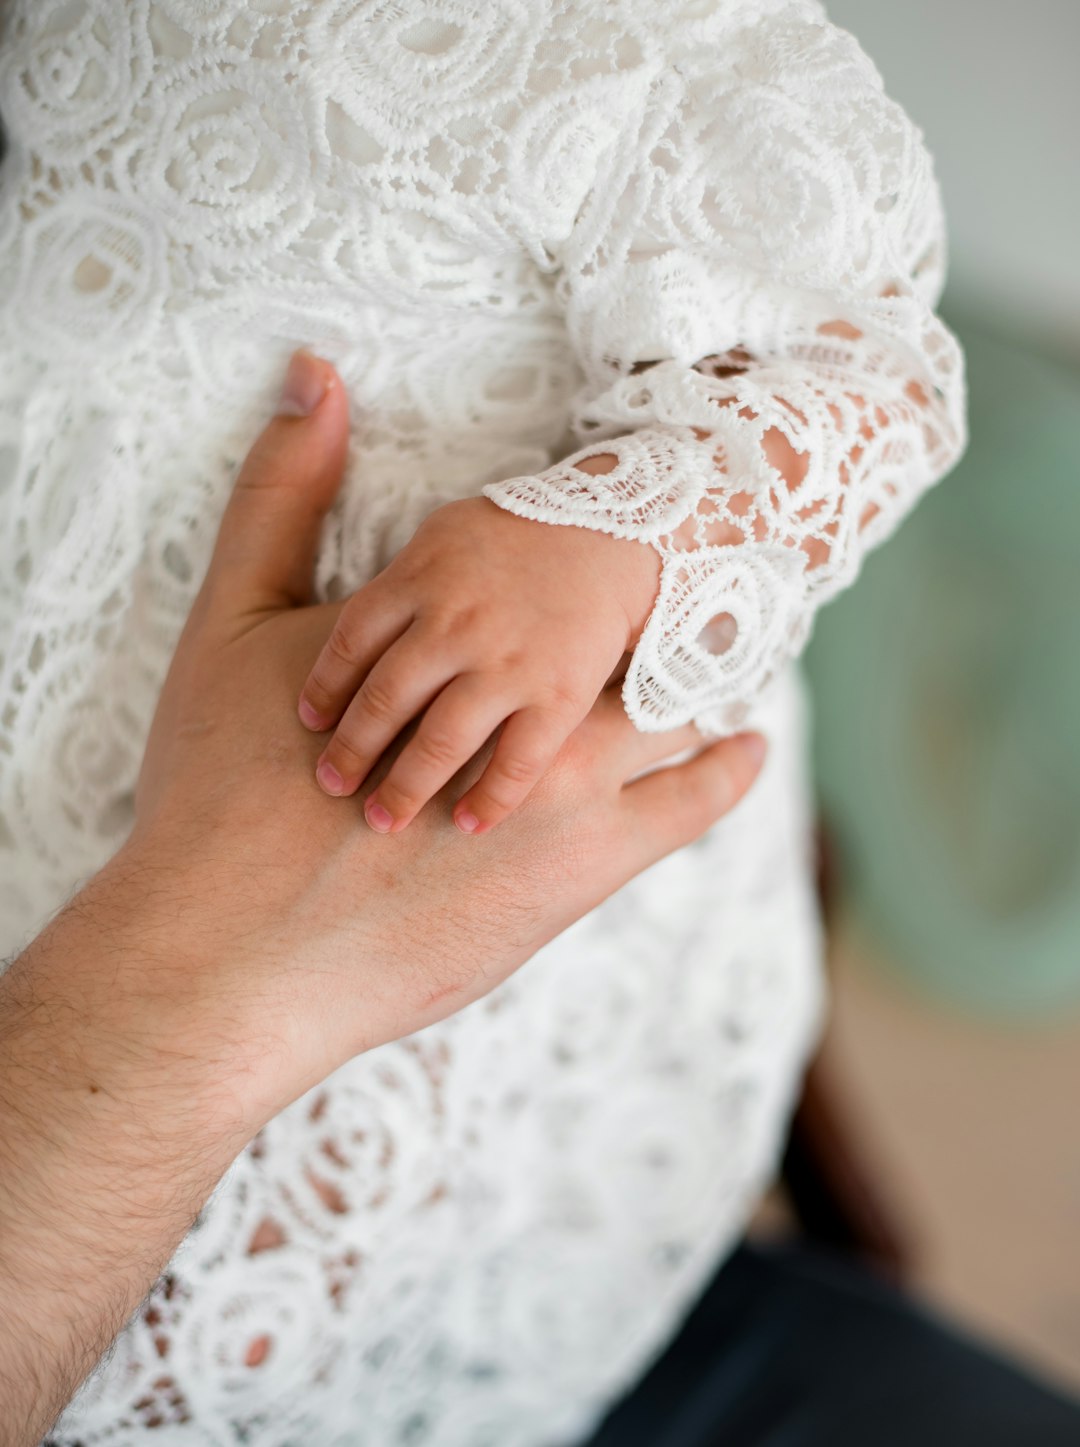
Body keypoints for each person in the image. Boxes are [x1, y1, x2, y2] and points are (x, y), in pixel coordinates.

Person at [0, 2, 968, 1442]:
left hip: (430, 729)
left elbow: (869, 371)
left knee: (295, 1199)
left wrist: (602, 539)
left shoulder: (653, 39)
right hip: (88, 626)